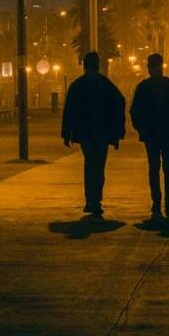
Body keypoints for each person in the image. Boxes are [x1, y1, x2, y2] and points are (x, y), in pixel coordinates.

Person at [61, 51, 125, 216]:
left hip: (85, 133)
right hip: (102, 132)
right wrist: (117, 131)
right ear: (98, 65)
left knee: (90, 163)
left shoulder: (78, 85)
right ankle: (96, 199)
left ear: (84, 66)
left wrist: (67, 133)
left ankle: (90, 200)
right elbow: (119, 103)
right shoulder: (105, 85)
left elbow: (69, 110)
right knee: (99, 165)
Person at [130, 53, 169, 218]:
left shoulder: (143, 88)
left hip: (152, 134)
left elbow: (135, 111)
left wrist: (141, 129)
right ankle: (168, 204)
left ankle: (157, 204)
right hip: (168, 133)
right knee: (167, 169)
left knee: (155, 168)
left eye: (152, 66)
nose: (151, 69)